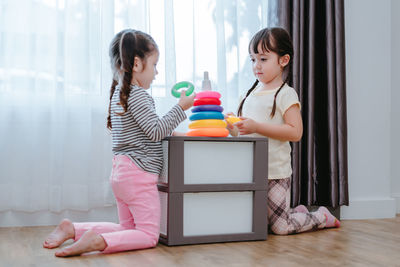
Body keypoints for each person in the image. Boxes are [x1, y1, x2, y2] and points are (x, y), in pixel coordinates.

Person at [43, 29, 195, 256]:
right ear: (136, 64)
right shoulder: (139, 95)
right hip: (139, 176)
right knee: (147, 234)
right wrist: (181, 107)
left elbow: (144, 132)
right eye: (154, 65)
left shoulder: (120, 95)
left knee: (127, 228)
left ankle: (74, 229)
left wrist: (174, 131)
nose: (156, 72)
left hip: (121, 174)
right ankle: (98, 241)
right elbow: (154, 132)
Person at [226, 27, 340, 235]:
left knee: (280, 228)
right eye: (252, 60)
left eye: (263, 59)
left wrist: (257, 126)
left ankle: (321, 215)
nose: (256, 66)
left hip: (275, 174)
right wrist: (231, 126)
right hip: (250, 173)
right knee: (254, 226)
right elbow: (240, 133)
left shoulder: (286, 94)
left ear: (283, 60)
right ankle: (295, 211)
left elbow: (296, 132)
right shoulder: (247, 95)